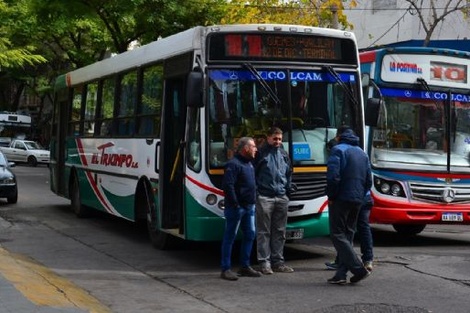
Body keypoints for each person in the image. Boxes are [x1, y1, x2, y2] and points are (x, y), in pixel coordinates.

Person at [326, 126, 372, 285]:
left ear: (339, 137)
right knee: (348, 235)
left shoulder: (337, 150)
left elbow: (333, 177)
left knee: (337, 234)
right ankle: (340, 275)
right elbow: (368, 181)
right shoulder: (362, 153)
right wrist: (360, 195)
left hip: (341, 198)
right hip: (358, 200)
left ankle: (358, 268)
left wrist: (331, 196)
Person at [220, 137, 262, 281]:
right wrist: (236, 205)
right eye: (253, 146)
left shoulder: (249, 164)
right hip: (236, 208)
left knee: (250, 234)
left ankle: (245, 266)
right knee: (229, 237)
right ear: (245, 148)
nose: (256, 149)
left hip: (249, 207)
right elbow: (228, 185)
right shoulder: (233, 164)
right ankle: (225, 269)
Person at [254, 127, 294, 275]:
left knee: (280, 231)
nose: (277, 141)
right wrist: (257, 194)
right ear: (268, 138)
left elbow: (289, 173)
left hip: (281, 197)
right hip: (265, 197)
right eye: (274, 138)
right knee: (264, 232)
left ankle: (278, 262)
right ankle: (264, 262)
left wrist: (287, 191)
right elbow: (253, 174)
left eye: (279, 139)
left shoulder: (284, 154)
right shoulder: (260, 154)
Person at [325, 191, 374, 272]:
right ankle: (368, 260)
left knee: (345, 231)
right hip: (366, 197)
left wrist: (331, 196)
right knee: (364, 228)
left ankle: (342, 262)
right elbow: (368, 181)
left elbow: (334, 181)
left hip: (350, 197)